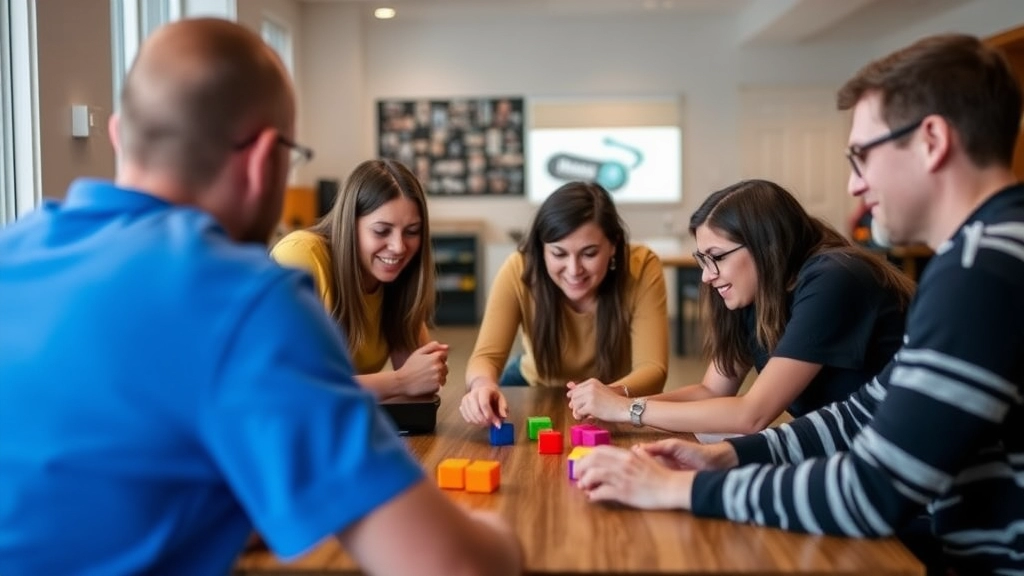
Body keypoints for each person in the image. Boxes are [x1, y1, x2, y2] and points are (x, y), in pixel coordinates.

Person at [0, 18, 520, 576]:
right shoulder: (247, 300)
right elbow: (451, 565)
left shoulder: (14, 253)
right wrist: (500, 537)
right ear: (264, 156)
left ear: (120, 134)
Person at [574, 33, 1023, 575]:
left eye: (861, 156)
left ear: (931, 140)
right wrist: (731, 455)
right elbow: (862, 414)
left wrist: (686, 488)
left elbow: (869, 490)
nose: (854, 185)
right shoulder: (983, 255)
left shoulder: (981, 272)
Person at [567, 179, 914, 434]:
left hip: (903, 460)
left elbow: (753, 414)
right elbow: (711, 391)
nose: (706, 276)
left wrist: (630, 409)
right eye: (702, 259)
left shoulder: (834, 278)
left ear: (767, 246)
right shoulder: (754, 293)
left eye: (716, 257)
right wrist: (619, 408)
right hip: (849, 449)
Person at [460, 181, 668, 428]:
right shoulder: (519, 268)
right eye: (559, 254)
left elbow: (653, 369)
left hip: (613, 396)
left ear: (614, 245)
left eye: (589, 253)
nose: (574, 270)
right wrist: (482, 385)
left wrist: (608, 397)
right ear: (541, 249)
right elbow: (486, 357)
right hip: (532, 385)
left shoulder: (642, 267)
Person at [271, 158, 448, 400]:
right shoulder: (301, 254)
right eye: (381, 231)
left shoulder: (395, 279)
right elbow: (292, 387)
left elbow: (420, 378)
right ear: (349, 225)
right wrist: (401, 381)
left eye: (412, 232)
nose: (398, 247)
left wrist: (425, 371)